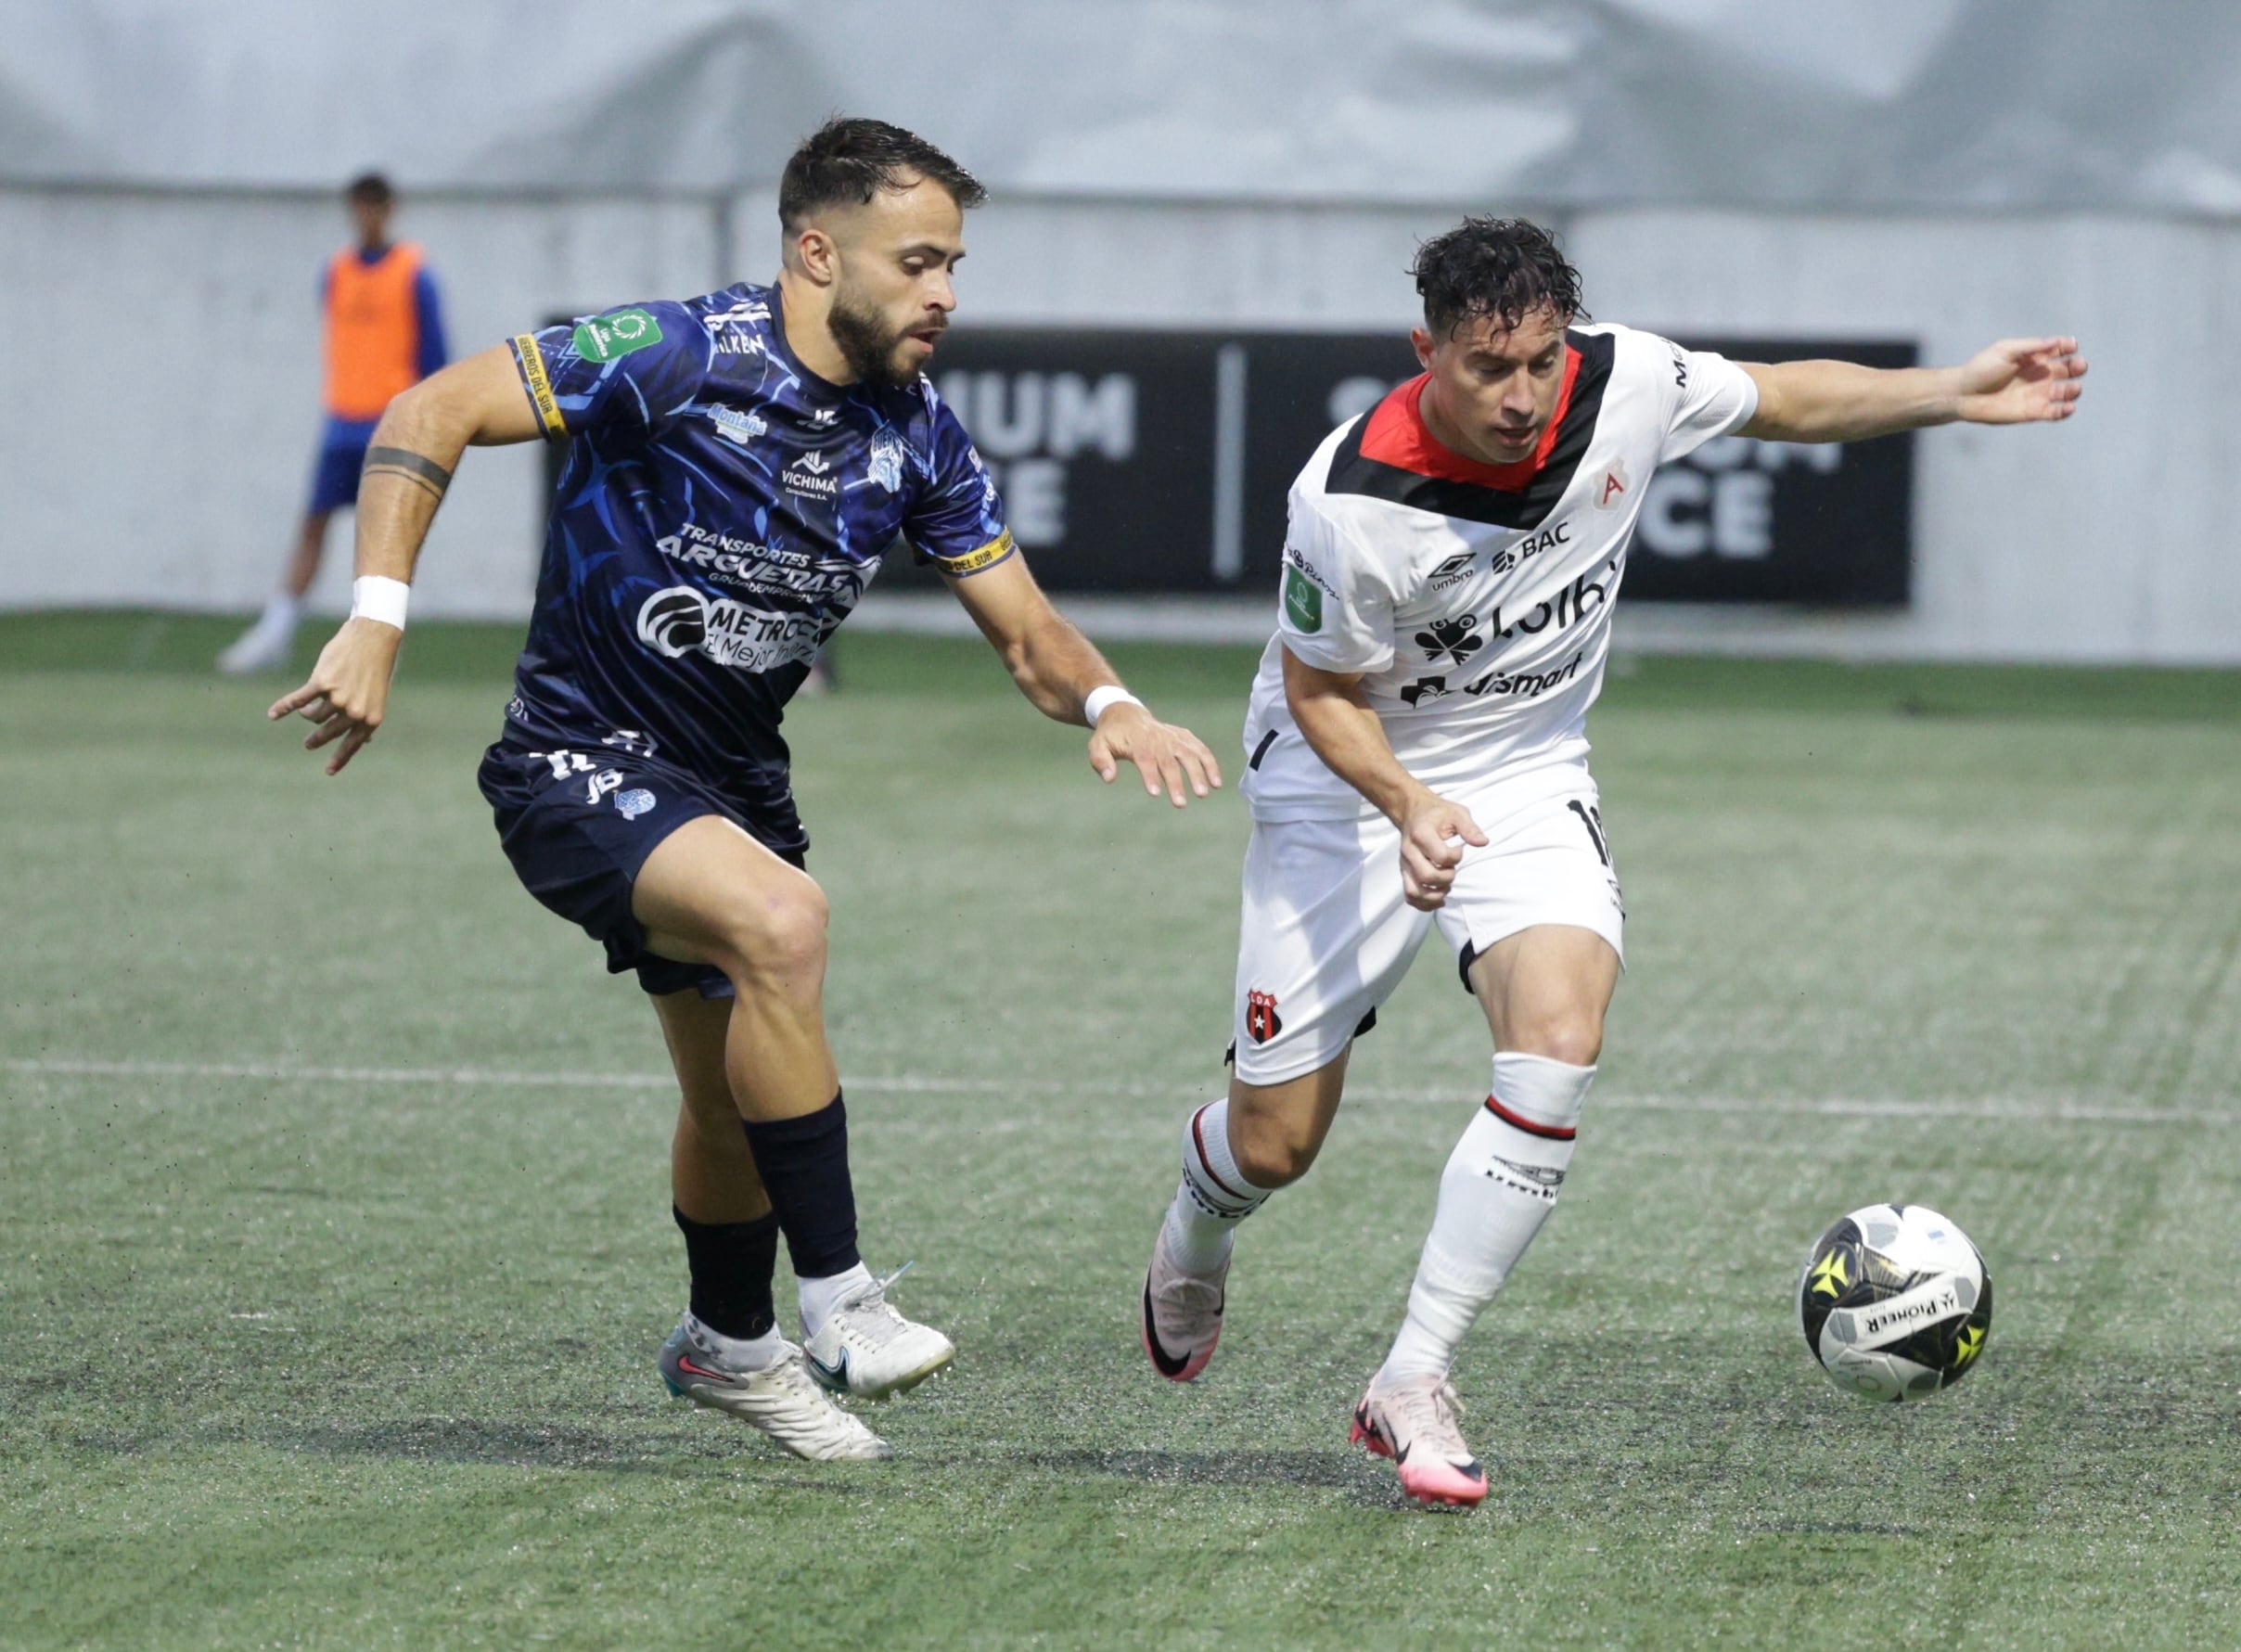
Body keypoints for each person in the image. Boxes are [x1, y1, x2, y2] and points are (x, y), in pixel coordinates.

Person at [271, 118, 1223, 1462]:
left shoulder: (917, 439)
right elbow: (427, 409)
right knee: (784, 925)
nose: (945, 290)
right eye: (919, 260)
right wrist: (375, 617)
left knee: (728, 1098)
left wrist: (1115, 703)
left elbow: (1028, 636)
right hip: (573, 759)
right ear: (816, 250)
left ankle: (730, 1345)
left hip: (725, 790)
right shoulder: (675, 354)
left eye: (955, 262)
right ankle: (838, 1303)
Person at [1137, 217, 2084, 1505]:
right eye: (1485, 367)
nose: (1520, 394)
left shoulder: (1624, 379)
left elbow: (1785, 402)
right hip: (1346, 784)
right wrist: (1407, 802)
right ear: (1426, 353)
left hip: (1524, 773)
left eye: (1537, 360)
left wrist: (1953, 392)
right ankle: (1198, 1222)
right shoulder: (1346, 502)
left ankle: (1412, 1374)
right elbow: (1316, 692)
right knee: (1275, 1141)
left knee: (1559, 1034)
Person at [220, 173, 448, 674]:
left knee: (386, 538)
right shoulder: (336, 272)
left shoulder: (414, 274)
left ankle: (378, 638)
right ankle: (275, 632)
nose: (367, 216)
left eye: (376, 206)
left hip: (390, 428)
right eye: (359, 206)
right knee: (313, 525)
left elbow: (436, 359)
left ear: (390, 210)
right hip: (342, 423)